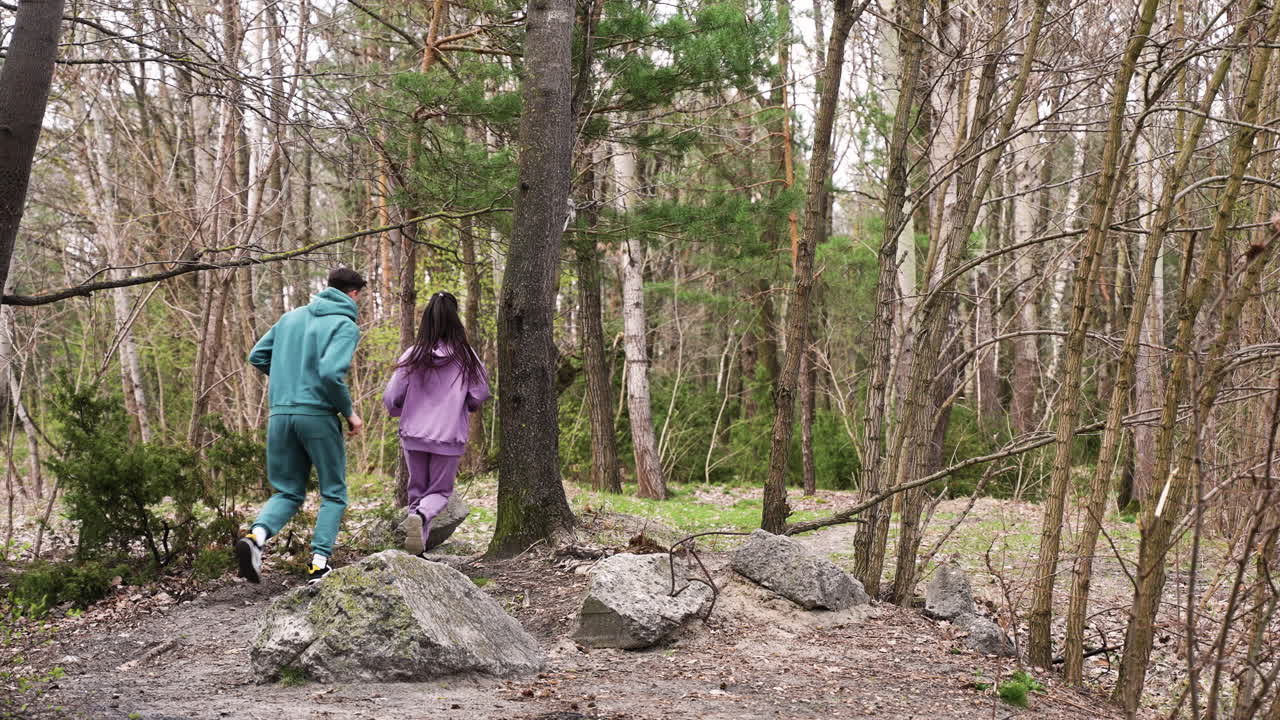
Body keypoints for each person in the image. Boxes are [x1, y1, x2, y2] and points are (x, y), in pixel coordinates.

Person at [236, 268, 366, 585]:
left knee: (288, 491)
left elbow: (257, 356)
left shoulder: (290, 318)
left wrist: (287, 379)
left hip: (280, 415)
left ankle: (255, 538)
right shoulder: (345, 326)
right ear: (353, 294)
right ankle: (318, 565)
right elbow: (330, 374)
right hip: (318, 416)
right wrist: (349, 413)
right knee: (333, 493)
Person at [383, 291, 490, 556]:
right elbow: (480, 393)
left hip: (413, 434)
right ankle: (420, 522)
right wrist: (467, 406)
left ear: (426, 320)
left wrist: (398, 411)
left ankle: (416, 546)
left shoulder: (412, 355)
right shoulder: (466, 357)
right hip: (448, 435)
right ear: (455, 320)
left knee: (417, 490)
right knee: (440, 492)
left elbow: (391, 396)